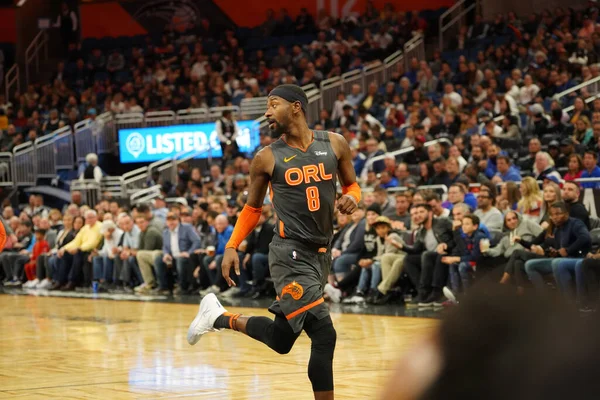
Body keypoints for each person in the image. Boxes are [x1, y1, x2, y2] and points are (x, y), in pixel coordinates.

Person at [187, 84, 359, 399]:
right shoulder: (266, 157)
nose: (266, 112)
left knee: (282, 340)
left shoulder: (335, 144)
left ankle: (218, 317)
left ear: (296, 107)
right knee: (324, 334)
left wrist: (353, 200)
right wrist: (231, 245)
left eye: (272, 104)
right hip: (289, 253)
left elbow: (352, 187)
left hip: (321, 253)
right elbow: (252, 210)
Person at [524, 202, 591, 291]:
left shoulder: (576, 223)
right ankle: (544, 298)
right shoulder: (557, 229)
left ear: (566, 214)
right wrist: (555, 253)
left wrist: (568, 250)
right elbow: (560, 250)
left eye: (558, 214)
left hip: (578, 257)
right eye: (551, 215)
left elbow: (585, 237)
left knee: (557, 263)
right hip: (563, 259)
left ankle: (567, 300)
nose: (554, 217)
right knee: (530, 265)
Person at [155, 211, 201, 295]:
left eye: (173, 220)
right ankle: (164, 287)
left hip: (185, 256)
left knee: (180, 260)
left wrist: (188, 252)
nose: (171, 222)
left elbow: (197, 241)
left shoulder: (187, 228)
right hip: (172, 256)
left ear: (178, 220)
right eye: (169, 220)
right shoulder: (165, 232)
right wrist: (166, 254)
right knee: (158, 259)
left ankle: (183, 287)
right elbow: (165, 247)